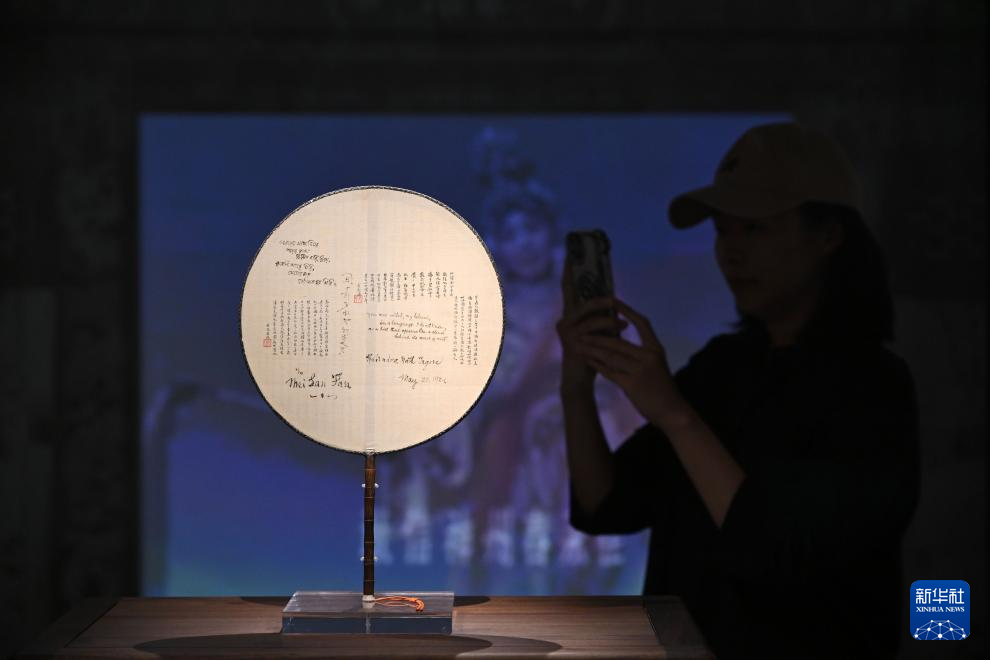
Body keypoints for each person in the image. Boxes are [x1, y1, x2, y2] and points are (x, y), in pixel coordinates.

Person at [557, 122, 919, 659]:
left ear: (828, 235)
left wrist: (675, 415)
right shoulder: (721, 367)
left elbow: (780, 553)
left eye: (755, 229)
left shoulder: (873, 386)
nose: (731, 253)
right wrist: (576, 384)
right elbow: (605, 505)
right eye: (723, 232)